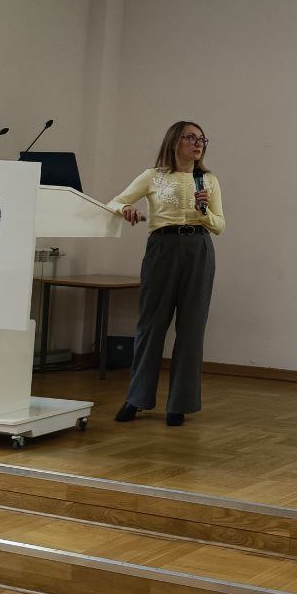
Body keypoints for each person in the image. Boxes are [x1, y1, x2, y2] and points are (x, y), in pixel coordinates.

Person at [106, 121, 225, 426]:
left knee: (192, 327)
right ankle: (136, 398)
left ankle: (180, 404)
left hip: (198, 248)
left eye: (202, 140)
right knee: (151, 324)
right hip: (162, 248)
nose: (198, 144)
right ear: (174, 142)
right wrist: (125, 210)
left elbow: (219, 225)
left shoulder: (208, 180)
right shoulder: (153, 176)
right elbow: (115, 202)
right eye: (191, 138)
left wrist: (203, 212)